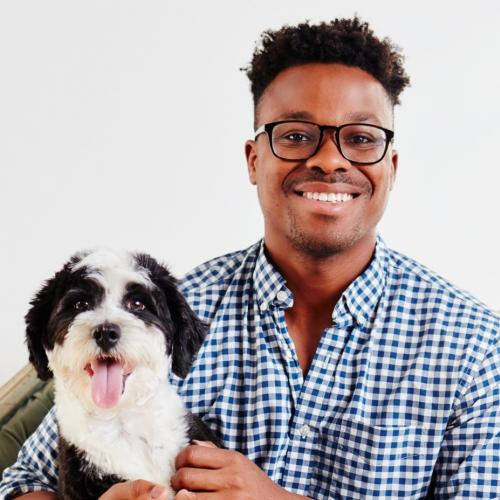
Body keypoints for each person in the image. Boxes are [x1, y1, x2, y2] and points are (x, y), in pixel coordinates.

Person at [1, 17, 499, 500]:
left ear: (391, 167)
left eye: (361, 138)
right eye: (296, 135)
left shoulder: (474, 350)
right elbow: (23, 480)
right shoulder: (165, 313)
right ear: (254, 159)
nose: (329, 160)